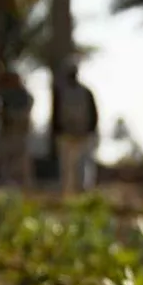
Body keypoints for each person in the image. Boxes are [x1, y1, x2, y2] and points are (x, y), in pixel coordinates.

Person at [56, 64, 99, 196]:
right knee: (67, 168)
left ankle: (82, 193)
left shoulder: (85, 92)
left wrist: (89, 130)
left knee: (82, 166)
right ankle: (68, 193)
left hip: (82, 135)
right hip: (67, 135)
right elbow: (56, 114)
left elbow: (93, 113)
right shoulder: (62, 92)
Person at [0, 69, 34, 190]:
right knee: (6, 161)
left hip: (19, 131)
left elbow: (24, 112)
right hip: (8, 132)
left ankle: (23, 187)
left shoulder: (23, 96)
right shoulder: (5, 95)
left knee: (20, 162)